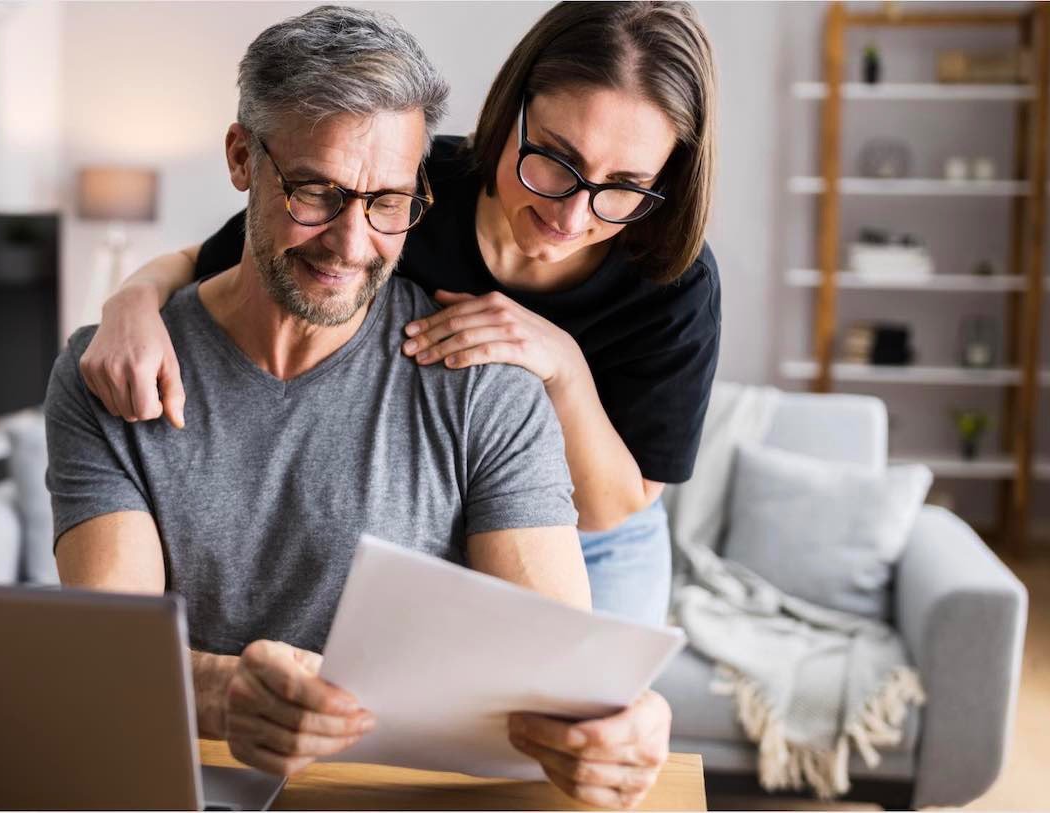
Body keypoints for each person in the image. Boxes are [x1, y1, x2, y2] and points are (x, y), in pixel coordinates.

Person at [49, 6, 669, 809]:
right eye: (317, 191)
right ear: (242, 159)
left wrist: (632, 720)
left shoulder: (485, 382)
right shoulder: (115, 372)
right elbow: (106, 654)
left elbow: (559, 675)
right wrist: (220, 691)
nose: (350, 243)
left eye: (388, 202)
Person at [80, 1, 720, 631]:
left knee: (589, 712)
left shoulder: (672, 276)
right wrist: (129, 303)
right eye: (557, 159)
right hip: (455, 503)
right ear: (511, 111)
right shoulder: (401, 180)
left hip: (595, 536)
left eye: (624, 187)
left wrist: (563, 367)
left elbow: (615, 506)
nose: (573, 216)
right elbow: (214, 259)